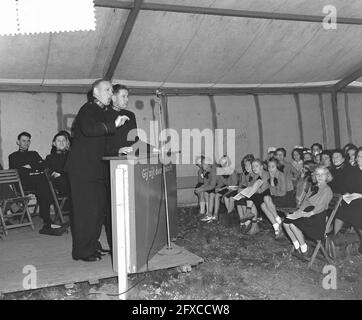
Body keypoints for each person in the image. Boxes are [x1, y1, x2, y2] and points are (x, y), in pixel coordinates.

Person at [65, 79, 130, 262]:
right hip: (82, 170)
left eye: (111, 90)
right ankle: (81, 252)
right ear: (95, 91)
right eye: (107, 90)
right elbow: (88, 129)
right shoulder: (88, 109)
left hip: (94, 170)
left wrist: (117, 150)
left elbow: (99, 144)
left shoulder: (101, 111)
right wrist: (113, 125)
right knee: (85, 212)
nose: (110, 93)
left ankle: (92, 246)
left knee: (97, 210)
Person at [283, 166, 333, 261]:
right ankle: (297, 246)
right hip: (307, 212)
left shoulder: (327, 190)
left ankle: (305, 249)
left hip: (316, 216)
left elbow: (320, 207)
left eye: (322, 174)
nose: (320, 176)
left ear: (327, 176)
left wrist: (306, 214)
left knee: (293, 225)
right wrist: (299, 211)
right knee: (286, 223)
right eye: (317, 174)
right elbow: (306, 201)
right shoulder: (314, 187)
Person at [8, 132, 54, 229]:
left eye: (28, 141)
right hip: (23, 184)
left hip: (38, 181)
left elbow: (44, 165)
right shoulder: (13, 156)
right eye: (23, 141)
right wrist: (35, 167)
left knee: (43, 182)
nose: (26, 143)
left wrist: (30, 167)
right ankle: (46, 216)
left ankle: (45, 215)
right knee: (44, 182)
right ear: (18, 142)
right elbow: (18, 171)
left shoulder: (34, 153)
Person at [261, 158, 296, 239]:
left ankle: (277, 218)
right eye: (269, 167)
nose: (270, 169)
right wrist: (272, 181)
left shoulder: (281, 175)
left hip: (287, 199)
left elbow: (282, 192)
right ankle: (276, 225)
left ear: (277, 167)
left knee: (266, 198)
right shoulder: (270, 176)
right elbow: (272, 192)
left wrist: (272, 183)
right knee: (263, 205)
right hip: (279, 198)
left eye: (273, 167)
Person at [334, 147, 362, 235]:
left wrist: (360, 195)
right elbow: (344, 186)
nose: (360, 159)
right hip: (352, 199)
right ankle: (336, 239)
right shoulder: (352, 170)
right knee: (341, 211)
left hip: (359, 200)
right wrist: (346, 193)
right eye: (358, 156)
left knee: (357, 211)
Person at [105, 84, 138, 156]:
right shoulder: (103, 114)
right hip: (109, 161)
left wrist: (153, 149)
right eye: (123, 96)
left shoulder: (130, 115)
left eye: (127, 96)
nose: (127, 99)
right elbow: (100, 143)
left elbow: (135, 140)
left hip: (129, 159)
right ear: (113, 98)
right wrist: (118, 151)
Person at [45, 132, 71, 197]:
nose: (61, 142)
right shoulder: (50, 158)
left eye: (64, 140)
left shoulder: (71, 156)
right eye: (59, 141)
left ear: (67, 143)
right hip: (61, 183)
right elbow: (53, 173)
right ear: (54, 143)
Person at [213, 155, 238, 221]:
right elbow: (222, 183)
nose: (223, 165)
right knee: (217, 195)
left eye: (225, 163)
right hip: (227, 188)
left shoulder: (233, 171)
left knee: (227, 197)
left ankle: (229, 214)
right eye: (222, 163)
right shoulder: (221, 171)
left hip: (234, 189)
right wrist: (217, 187)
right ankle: (215, 214)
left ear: (228, 162)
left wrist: (222, 188)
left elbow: (234, 185)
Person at [194, 158, 218, 222]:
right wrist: (200, 188)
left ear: (209, 164)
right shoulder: (205, 171)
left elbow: (213, 185)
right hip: (211, 186)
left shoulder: (213, 171)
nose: (202, 165)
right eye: (202, 164)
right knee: (205, 193)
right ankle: (208, 214)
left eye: (204, 164)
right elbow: (206, 183)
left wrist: (202, 189)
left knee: (211, 194)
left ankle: (211, 214)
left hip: (218, 186)